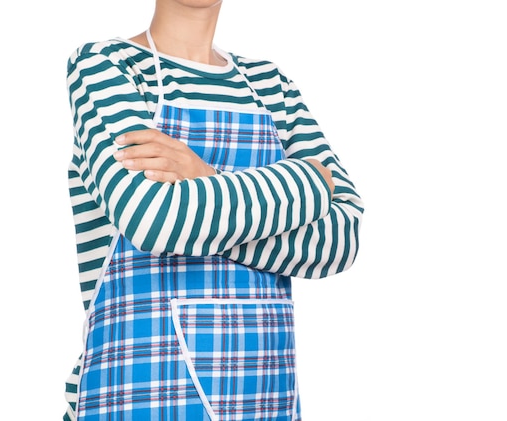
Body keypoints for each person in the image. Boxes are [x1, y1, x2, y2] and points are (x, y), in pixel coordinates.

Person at [63, 0, 364, 419]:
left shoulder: (271, 84)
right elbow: (154, 220)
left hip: (266, 393)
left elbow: (341, 240)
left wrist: (201, 177)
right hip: (140, 388)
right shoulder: (106, 65)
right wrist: (309, 183)